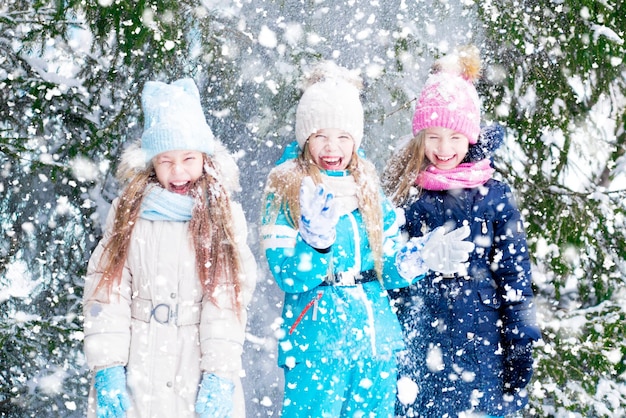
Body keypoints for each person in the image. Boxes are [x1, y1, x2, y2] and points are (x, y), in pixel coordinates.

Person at [260, 61, 475, 417]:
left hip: (375, 343)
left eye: (343, 136)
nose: (333, 147)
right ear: (305, 137)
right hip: (317, 344)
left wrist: (418, 258)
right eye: (321, 136)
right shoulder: (285, 185)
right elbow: (288, 275)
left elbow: (386, 267)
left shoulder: (367, 184)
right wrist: (314, 244)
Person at [382, 45, 542, 417]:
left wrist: (520, 346)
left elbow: (515, 277)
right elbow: (387, 271)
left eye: (455, 137)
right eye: (434, 136)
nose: (444, 148)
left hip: (482, 351)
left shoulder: (494, 196)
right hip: (418, 349)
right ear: (420, 136)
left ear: (470, 136)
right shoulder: (405, 193)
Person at [83, 78, 257, 418]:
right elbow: (107, 289)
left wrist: (220, 375)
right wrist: (108, 365)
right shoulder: (129, 212)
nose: (178, 171)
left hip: (194, 367)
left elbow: (227, 300)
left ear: (204, 158)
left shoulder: (223, 215)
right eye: (166, 161)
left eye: (188, 158)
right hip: (138, 363)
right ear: (152, 163)